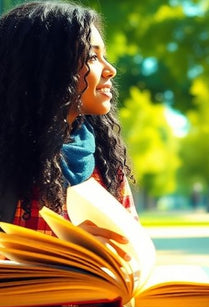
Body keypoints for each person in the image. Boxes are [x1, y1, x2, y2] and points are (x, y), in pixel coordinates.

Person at [0, 1, 137, 260]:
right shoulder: (8, 157)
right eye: (93, 57)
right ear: (48, 67)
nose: (111, 70)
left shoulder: (106, 161)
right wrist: (63, 252)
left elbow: (133, 252)